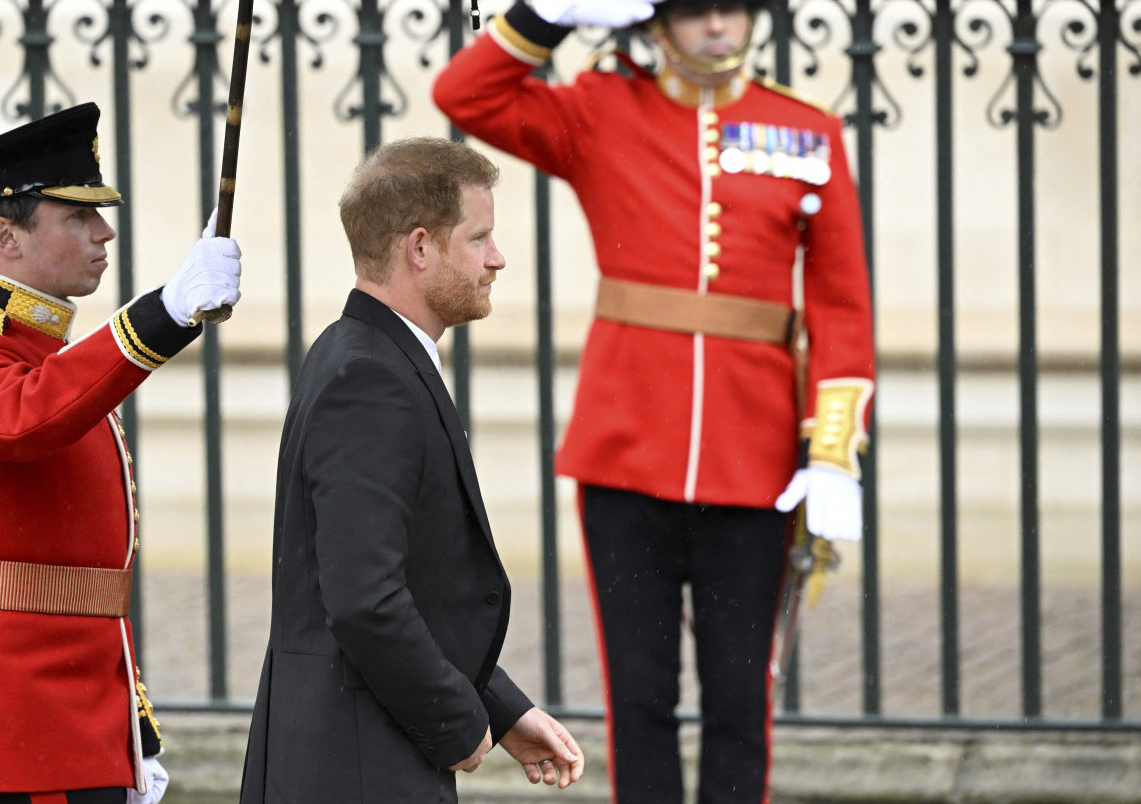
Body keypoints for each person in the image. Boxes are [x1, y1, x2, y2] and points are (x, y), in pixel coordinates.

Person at [435, 2, 876, 802]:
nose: (717, 25)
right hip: (626, 448)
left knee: (741, 701)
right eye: (694, 9)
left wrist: (833, 449)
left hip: (757, 458)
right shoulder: (602, 109)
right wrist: (547, 14)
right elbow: (467, 96)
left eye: (731, 7)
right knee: (639, 698)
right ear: (655, 23)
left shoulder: (804, 131)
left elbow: (842, 306)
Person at [0, 102, 243, 804]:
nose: (103, 230)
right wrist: (165, 311)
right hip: (17, 720)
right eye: (77, 216)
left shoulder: (38, 352)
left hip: (70, 714)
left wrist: (129, 725)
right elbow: (27, 419)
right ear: (6, 236)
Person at [237, 136, 584, 803]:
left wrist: (502, 711)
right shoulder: (369, 379)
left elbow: (414, 583)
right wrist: (457, 723)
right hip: (355, 766)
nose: (497, 257)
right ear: (418, 248)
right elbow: (366, 599)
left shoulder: (368, 353)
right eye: (479, 237)